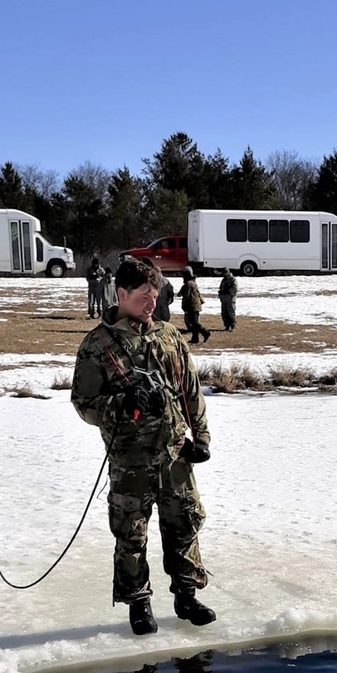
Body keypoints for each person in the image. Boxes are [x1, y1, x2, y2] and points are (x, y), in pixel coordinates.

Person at [71, 256, 216, 635]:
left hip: (174, 455)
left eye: (156, 295)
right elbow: (83, 404)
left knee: (185, 523)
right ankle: (138, 602)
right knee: (131, 534)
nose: (152, 303)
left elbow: (191, 390)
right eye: (144, 296)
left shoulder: (169, 336)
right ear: (121, 294)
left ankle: (187, 595)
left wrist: (200, 436)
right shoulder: (97, 345)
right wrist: (123, 403)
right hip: (130, 460)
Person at [178, 266, 210, 344]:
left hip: (192, 305)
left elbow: (186, 296)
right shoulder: (192, 283)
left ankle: (205, 333)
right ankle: (195, 338)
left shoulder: (188, 284)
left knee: (194, 322)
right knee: (193, 322)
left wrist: (183, 305)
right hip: (194, 305)